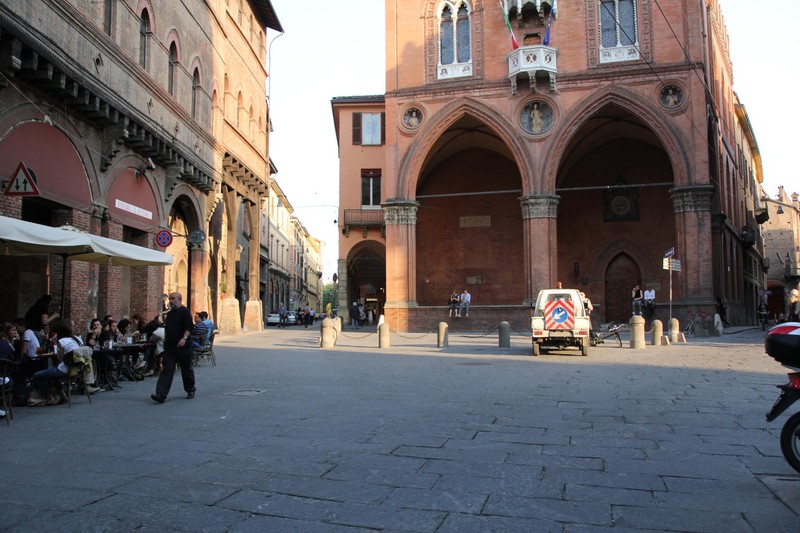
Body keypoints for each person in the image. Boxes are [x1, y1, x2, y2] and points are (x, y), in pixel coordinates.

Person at [151, 292, 195, 403]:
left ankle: (190, 389)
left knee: (186, 369)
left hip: (184, 347)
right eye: (170, 299)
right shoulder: (170, 314)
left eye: (173, 298)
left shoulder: (185, 311)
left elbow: (189, 327)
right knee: (167, 369)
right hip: (170, 347)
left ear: (179, 299)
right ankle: (161, 394)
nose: (170, 301)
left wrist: (184, 338)